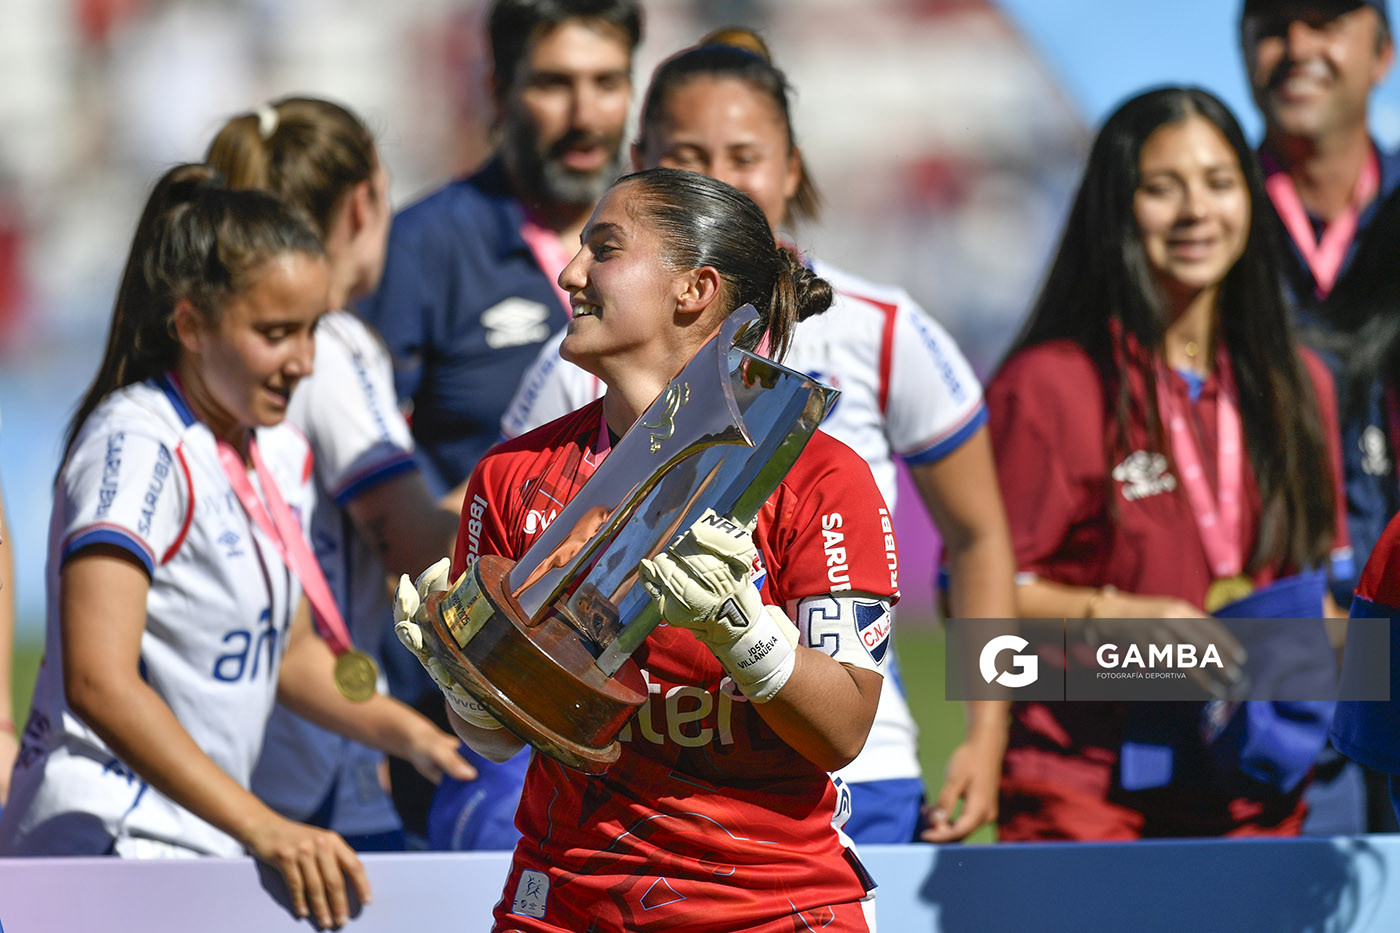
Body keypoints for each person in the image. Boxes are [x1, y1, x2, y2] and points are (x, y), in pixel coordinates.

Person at [497, 32, 1016, 845]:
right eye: (686, 153)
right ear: (643, 162)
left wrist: (987, 736)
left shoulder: (880, 328)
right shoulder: (583, 348)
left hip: (851, 769)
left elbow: (981, 536)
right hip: (631, 780)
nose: (716, 177)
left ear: (793, 168)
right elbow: (506, 506)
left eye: (744, 154)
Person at [397, 167, 894, 931]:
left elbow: (845, 731)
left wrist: (742, 628)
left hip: (766, 906)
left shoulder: (821, 477)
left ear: (693, 289)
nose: (569, 274)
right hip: (563, 901)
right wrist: (467, 681)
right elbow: (497, 741)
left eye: (603, 249)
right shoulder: (510, 476)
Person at [0, 165, 470, 929]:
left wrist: (406, 728)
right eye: (276, 333)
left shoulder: (267, 448)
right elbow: (97, 679)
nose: (305, 360)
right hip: (104, 851)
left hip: (198, 853)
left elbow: (286, 654)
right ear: (189, 326)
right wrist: (262, 823)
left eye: (313, 327)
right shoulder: (135, 442)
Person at [986, 87, 1351, 840]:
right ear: (1117, 205)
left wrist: (1353, 642)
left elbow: (1319, 607)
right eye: (1162, 187)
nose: (1196, 211)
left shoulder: (1301, 383)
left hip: (1255, 793)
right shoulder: (1051, 383)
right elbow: (979, 638)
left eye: (1220, 183)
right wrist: (1126, 629)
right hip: (1086, 802)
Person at [356, 0, 642, 842]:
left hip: (642, 691)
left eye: (606, 82)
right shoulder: (424, 246)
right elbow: (366, 494)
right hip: (466, 696)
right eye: (554, 83)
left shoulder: (671, 250)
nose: (585, 112)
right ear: (497, 88)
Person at [204, 97, 464, 850]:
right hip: (304, 748)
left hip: (263, 724)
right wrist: (531, 464)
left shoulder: (231, 338)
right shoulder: (336, 344)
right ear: (364, 201)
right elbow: (417, 549)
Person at [1240, 0, 1399, 833]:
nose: (1296, 45)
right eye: (1271, 21)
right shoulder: (1196, 226)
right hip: (1266, 670)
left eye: (1325, 16)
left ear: (1384, 52)